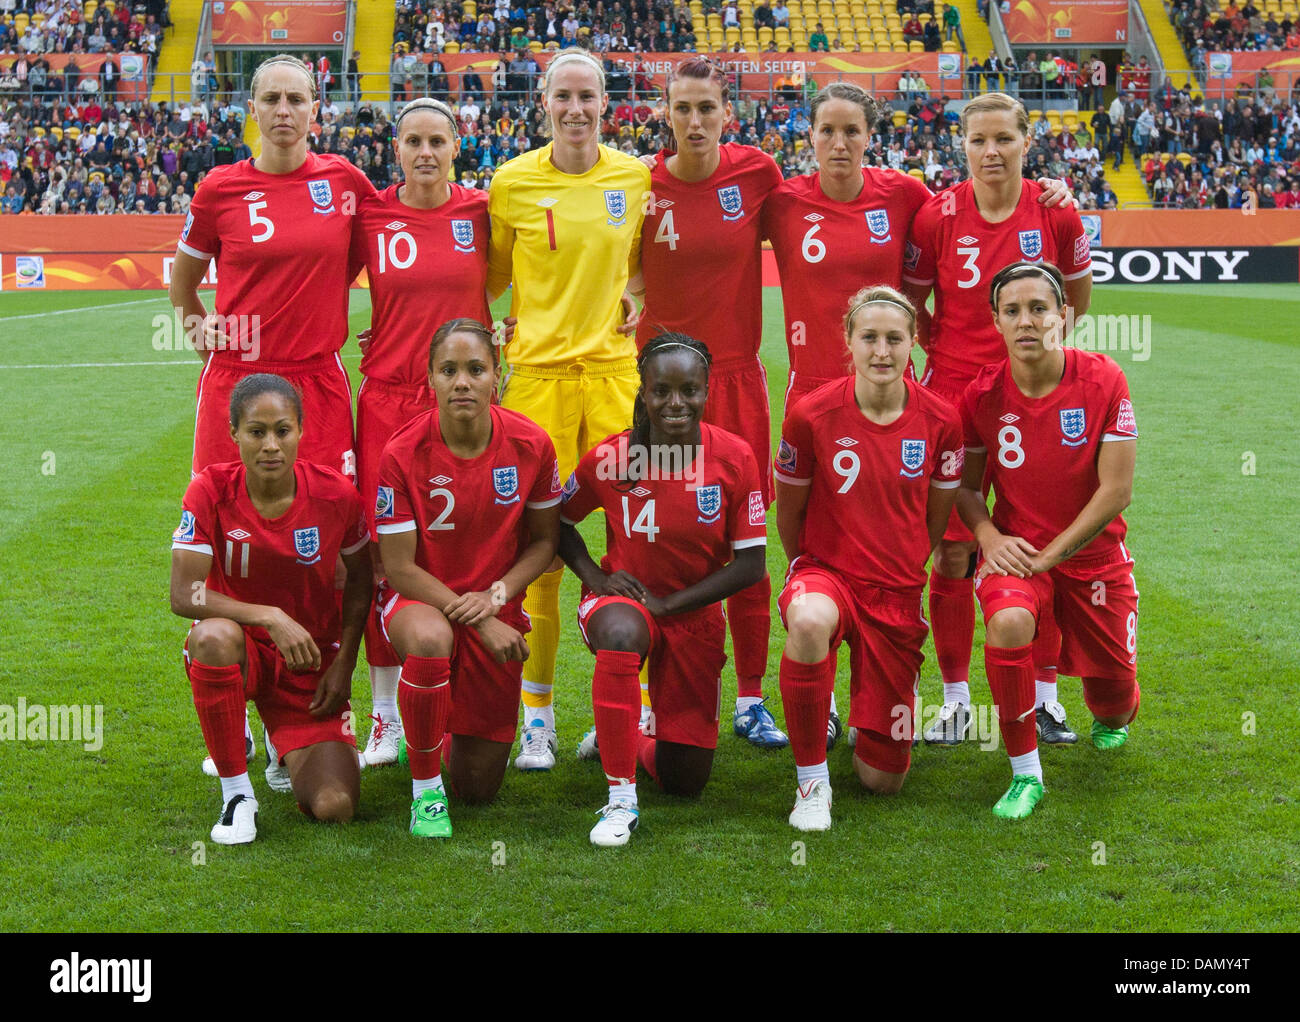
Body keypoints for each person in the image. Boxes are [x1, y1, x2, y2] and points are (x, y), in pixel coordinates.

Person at [903, 92, 1092, 749]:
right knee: (954, 549)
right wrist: (940, 352)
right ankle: (956, 701)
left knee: (1041, 544)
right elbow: (911, 302)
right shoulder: (936, 218)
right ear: (962, 145)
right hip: (955, 398)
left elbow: (1074, 300)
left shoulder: (1057, 214)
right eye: (978, 141)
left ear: (1026, 139)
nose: (991, 152)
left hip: (1029, 395)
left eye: (1003, 140)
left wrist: (1038, 360)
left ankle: (1045, 699)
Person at [486, 50, 651, 772]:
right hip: (537, 385)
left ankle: (635, 709)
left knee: (634, 543)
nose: (576, 108)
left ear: (605, 102)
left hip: (615, 381)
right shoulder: (513, 182)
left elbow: (643, 261)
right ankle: (538, 717)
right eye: (564, 96)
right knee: (541, 555)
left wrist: (635, 298)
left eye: (588, 96)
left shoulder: (634, 176)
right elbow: (487, 279)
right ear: (544, 103)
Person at [559, 334, 767, 846]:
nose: (676, 404)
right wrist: (594, 576)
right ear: (644, 392)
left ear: (706, 391)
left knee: (685, 780)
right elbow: (556, 520)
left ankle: (627, 735)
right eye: (662, 391)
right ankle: (619, 798)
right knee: (624, 629)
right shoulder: (611, 458)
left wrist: (671, 603)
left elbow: (751, 565)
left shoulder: (735, 459)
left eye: (689, 391)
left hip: (690, 614)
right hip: (623, 602)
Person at [636, 57, 787, 748]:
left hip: (734, 384)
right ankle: (644, 700)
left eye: (707, 108)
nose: (694, 121)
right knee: (650, 543)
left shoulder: (757, 175)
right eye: (683, 108)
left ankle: (752, 700)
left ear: (728, 113)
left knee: (745, 543)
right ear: (665, 113)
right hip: (658, 396)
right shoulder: (637, 184)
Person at [775, 287, 963, 830]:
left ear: (913, 344)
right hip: (827, 574)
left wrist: (902, 563)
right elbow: (790, 511)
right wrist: (806, 568)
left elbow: (934, 517)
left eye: (894, 339)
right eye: (870, 338)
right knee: (810, 619)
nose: (882, 351)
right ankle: (811, 783)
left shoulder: (942, 421)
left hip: (897, 592)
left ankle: (874, 708)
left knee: (882, 782)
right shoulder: (810, 415)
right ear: (849, 342)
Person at [957, 261, 1139, 818]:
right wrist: (988, 535)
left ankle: (1111, 707)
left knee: (1114, 704)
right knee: (1009, 622)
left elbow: (1117, 489)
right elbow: (964, 490)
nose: (1027, 321)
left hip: (1093, 559)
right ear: (996, 322)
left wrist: (1053, 555)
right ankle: (1025, 774)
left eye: (1039, 308)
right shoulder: (981, 395)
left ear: (1064, 315)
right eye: (1012, 311)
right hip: (1016, 556)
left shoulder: (1104, 379)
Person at [376, 319, 562, 837]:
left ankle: (436, 725)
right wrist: (479, 618)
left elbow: (546, 543)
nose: (462, 382)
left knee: (479, 788)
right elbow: (399, 567)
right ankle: (425, 792)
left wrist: (497, 596)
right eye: (449, 370)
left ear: (496, 377)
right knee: (433, 638)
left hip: (495, 605)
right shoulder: (401, 453)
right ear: (430, 379)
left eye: (476, 369)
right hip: (420, 603)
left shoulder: (531, 444)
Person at [349, 97, 492, 767]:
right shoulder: (370, 213)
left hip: (456, 404)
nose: (426, 151)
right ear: (397, 150)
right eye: (414, 141)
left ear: (457, 146)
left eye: (438, 139)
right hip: (385, 401)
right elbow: (319, 274)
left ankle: (473, 698)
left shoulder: (483, 212)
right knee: (384, 555)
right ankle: (383, 713)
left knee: (461, 545)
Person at [170, 374, 371, 844]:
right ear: (233, 433)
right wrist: (270, 616)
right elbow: (184, 594)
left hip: (309, 664)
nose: (270, 445)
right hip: (244, 651)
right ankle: (237, 795)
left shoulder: (337, 495)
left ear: (301, 430)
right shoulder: (209, 490)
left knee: (335, 807)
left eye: (282, 430)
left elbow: (363, 581)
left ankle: (279, 742)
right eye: (256, 431)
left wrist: (344, 663)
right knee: (212, 638)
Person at [169, 53, 375, 482]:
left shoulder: (346, 181)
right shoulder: (218, 189)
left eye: (296, 99)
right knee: (223, 518)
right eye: (271, 98)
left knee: (331, 518)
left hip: (318, 379)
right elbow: (182, 287)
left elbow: (391, 256)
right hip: (236, 378)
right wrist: (204, 342)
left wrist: (393, 328)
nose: (284, 110)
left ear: (315, 109)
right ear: (252, 109)